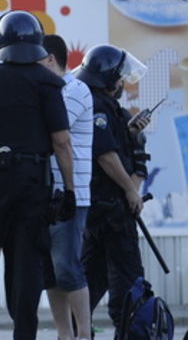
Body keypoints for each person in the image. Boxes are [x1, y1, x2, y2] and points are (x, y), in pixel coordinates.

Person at [0, 10, 75, 339]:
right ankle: (24, 333)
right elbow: (62, 141)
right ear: (36, 42)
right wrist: (69, 189)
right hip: (33, 182)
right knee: (27, 265)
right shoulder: (48, 82)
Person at [75, 44, 149, 336]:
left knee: (90, 279)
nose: (122, 84)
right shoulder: (98, 106)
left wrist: (130, 132)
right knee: (128, 283)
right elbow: (105, 155)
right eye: (119, 78)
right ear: (107, 78)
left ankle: (73, 331)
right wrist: (131, 190)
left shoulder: (103, 106)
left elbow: (113, 143)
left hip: (99, 208)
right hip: (111, 208)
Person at [40, 35, 94, 340]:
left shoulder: (75, 89)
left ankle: (83, 334)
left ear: (50, 59)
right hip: (48, 192)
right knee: (51, 271)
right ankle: (64, 334)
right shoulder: (51, 90)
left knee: (68, 267)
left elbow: (52, 129)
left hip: (72, 193)